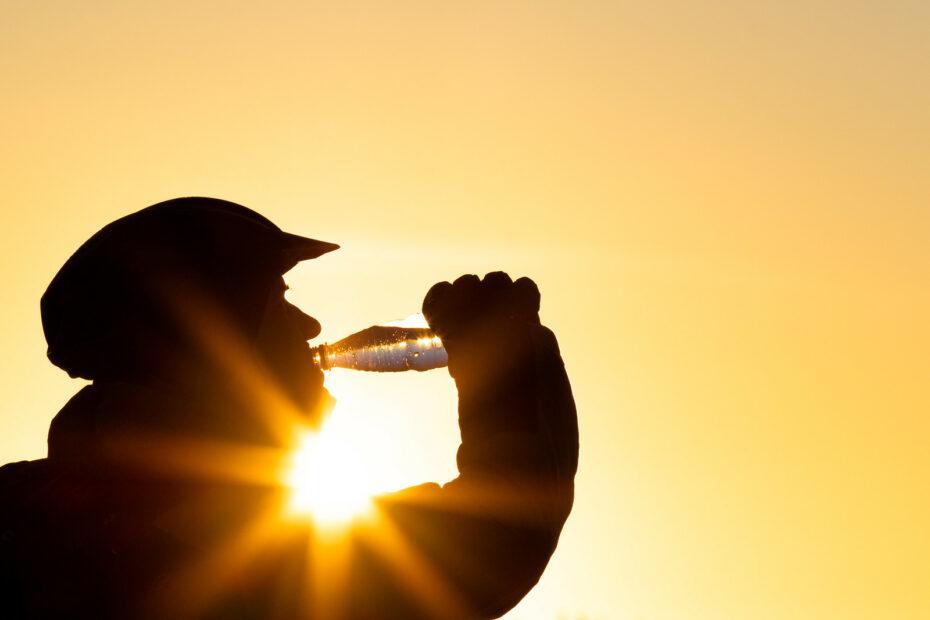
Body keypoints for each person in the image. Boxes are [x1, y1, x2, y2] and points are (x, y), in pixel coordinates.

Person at [0, 197, 578, 619]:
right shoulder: (255, 552)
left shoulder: (22, 510)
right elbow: (503, 535)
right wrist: (503, 364)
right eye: (278, 301)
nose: (312, 328)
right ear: (210, 341)